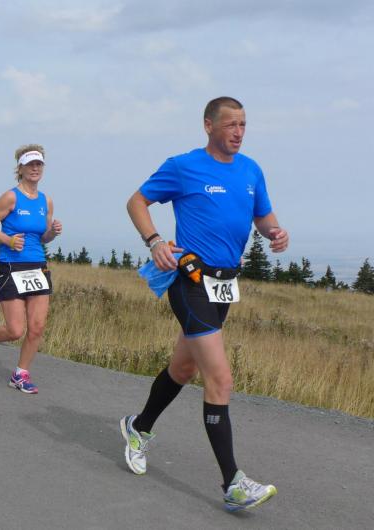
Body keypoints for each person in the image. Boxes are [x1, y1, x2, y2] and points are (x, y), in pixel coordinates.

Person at [121, 97, 289, 511]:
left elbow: (262, 216)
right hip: (190, 280)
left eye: (243, 124)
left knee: (183, 369)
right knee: (221, 379)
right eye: (231, 124)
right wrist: (155, 241)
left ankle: (138, 427)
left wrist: (275, 232)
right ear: (209, 125)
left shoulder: (251, 170)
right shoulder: (183, 166)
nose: (238, 132)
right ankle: (233, 483)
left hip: (225, 285)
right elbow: (136, 201)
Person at [0, 144, 63, 394]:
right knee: (15, 330)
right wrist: (8, 240)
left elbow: (43, 237)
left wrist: (52, 233)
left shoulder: (46, 201)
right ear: (20, 169)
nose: (35, 168)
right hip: (12, 265)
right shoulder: (11, 197)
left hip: (38, 266)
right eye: (30, 164)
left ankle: (20, 374)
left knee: (37, 326)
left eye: (39, 164)